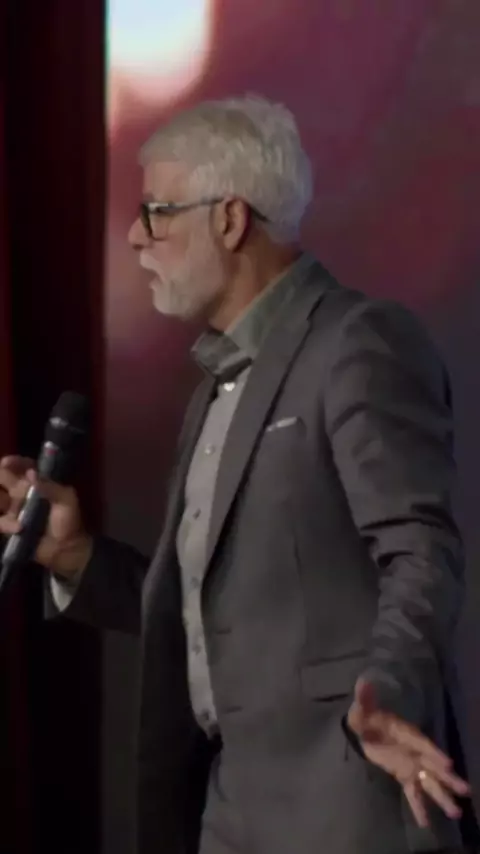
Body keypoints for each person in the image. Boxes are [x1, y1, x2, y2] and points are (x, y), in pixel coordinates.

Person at [0, 95, 477, 854]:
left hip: (344, 811)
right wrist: (75, 556)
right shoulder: (216, 390)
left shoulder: (357, 344)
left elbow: (423, 550)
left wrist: (390, 690)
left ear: (229, 219)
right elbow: (217, 615)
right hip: (228, 813)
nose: (136, 235)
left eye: (157, 211)